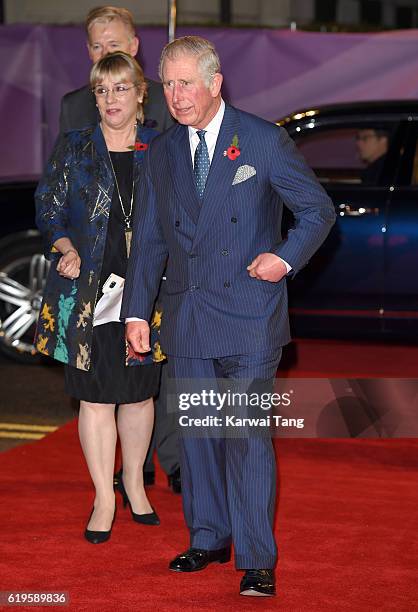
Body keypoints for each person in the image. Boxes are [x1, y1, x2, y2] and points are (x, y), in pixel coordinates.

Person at [121, 36, 336, 596]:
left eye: (187, 82)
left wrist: (285, 257)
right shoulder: (163, 152)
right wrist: (135, 313)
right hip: (187, 313)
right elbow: (147, 240)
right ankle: (209, 537)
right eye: (168, 84)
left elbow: (317, 210)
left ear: (217, 83)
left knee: (244, 435)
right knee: (198, 434)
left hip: (248, 314)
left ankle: (257, 557)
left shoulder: (262, 140)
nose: (177, 94)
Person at [35, 52, 162, 544]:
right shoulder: (75, 146)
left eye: (121, 88)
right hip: (88, 290)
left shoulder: (162, 146)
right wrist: (64, 248)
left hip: (147, 286)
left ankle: (134, 482)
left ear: (140, 93)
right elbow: (50, 207)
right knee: (93, 395)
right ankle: (103, 496)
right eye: (102, 90)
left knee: (138, 390)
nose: (111, 99)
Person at [58, 4, 180, 494]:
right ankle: (128, 473)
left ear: (134, 46)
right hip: (98, 267)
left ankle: (169, 461)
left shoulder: (169, 102)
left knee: (158, 373)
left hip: (156, 261)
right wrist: (68, 244)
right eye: (95, 44)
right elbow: (64, 191)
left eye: (114, 42)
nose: (104, 51)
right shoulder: (73, 108)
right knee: (106, 373)